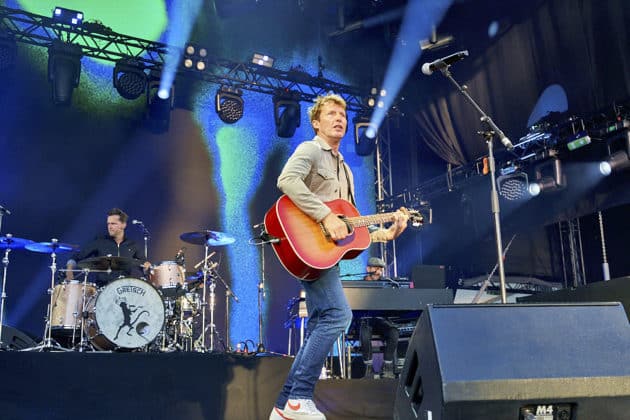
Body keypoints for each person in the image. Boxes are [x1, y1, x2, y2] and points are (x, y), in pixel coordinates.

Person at [269, 93, 408, 420]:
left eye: (343, 115)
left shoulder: (345, 169)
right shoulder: (310, 150)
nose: (339, 119)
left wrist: (384, 233)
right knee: (337, 317)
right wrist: (323, 216)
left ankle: (283, 407)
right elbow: (287, 180)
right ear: (316, 122)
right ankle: (299, 398)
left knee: (321, 320)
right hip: (308, 248)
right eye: (331, 114)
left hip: (324, 255)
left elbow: (347, 228)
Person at [66, 208, 150, 285]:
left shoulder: (132, 245)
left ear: (123, 225)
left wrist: (146, 267)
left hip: (125, 289)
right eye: (108, 224)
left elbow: (144, 265)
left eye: (113, 224)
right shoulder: (100, 242)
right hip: (103, 288)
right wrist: (69, 271)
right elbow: (76, 257)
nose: (109, 227)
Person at [360, 256, 400, 379]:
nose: (379, 272)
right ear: (368, 269)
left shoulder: (387, 284)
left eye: (381, 269)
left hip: (382, 320)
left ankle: (387, 367)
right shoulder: (359, 285)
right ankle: (369, 368)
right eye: (376, 268)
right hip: (364, 320)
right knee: (365, 334)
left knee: (394, 332)